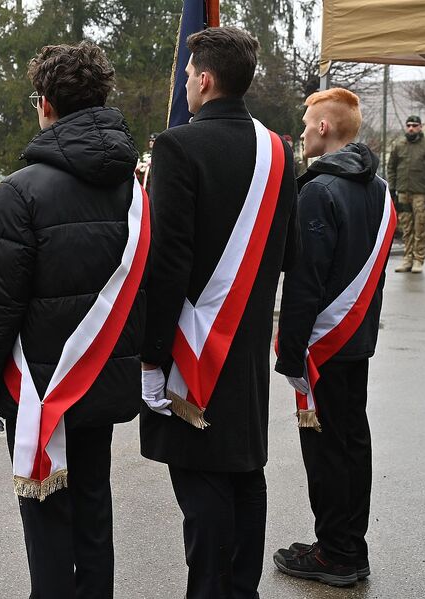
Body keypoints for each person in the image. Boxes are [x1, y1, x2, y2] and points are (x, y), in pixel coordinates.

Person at [0, 41, 146, 599]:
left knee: (44, 510)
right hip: (106, 374)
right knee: (94, 503)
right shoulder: (134, 187)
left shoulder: (20, 192)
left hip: (39, 387)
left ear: (44, 104)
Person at [139, 27, 298, 598]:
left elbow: (167, 262)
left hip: (192, 346)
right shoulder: (281, 150)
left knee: (202, 478)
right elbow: (286, 251)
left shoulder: (179, 147)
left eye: (186, 75)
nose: (185, 83)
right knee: (243, 469)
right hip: (248, 338)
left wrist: (152, 358)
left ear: (204, 79)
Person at [273, 88, 395, 587]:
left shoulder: (319, 191)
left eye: (306, 124)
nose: (302, 133)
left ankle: (337, 555)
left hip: (324, 346)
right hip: (356, 340)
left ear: (324, 128)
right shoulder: (379, 187)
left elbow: (305, 281)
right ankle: (345, 543)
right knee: (351, 445)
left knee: (326, 451)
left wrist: (290, 353)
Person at [388, 115, 425, 273]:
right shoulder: (399, 145)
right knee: (406, 228)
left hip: (420, 193)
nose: (411, 128)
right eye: (409, 125)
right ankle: (407, 259)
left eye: (415, 125)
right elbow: (391, 168)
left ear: (420, 127)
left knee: (419, 228)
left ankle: (418, 259)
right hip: (403, 192)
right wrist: (392, 189)